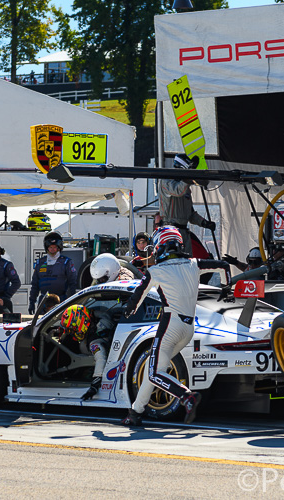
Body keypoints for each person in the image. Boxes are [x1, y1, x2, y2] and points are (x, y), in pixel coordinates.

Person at [120, 226, 231, 426]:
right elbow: (223, 265)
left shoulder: (155, 270)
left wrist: (126, 311)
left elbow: (137, 298)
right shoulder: (194, 263)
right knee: (155, 371)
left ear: (160, 247)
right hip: (189, 328)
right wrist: (226, 288)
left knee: (154, 372)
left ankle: (186, 396)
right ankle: (135, 412)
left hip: (170, 324)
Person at [158, 153, 217, 256]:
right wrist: (188, 178)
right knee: (173, 259)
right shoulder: (166, 181)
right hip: (170, 230)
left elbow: (190, 214)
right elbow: (177, 190)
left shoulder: (186, 189)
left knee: (188, 261)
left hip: (184, 231)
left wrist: (205, 223)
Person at [59, 304, 116, 401]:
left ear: (80, 323)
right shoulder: (101, 317)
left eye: (72, 329)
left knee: (82, 347)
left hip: (105, 373)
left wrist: (95, 383)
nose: (71, 333)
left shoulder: (95, 341)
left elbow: (101, 358)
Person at [28, 232, 77, 315]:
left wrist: (73, 302)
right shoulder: (40, 262)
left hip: (61, 301)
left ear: (59, 247)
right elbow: (35, 285)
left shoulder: (66, 262)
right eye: (50, 247)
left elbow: (73, 283)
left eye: (55, 247)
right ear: (47, 247)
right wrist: (32, 302)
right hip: (43, 302)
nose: (52, 249)